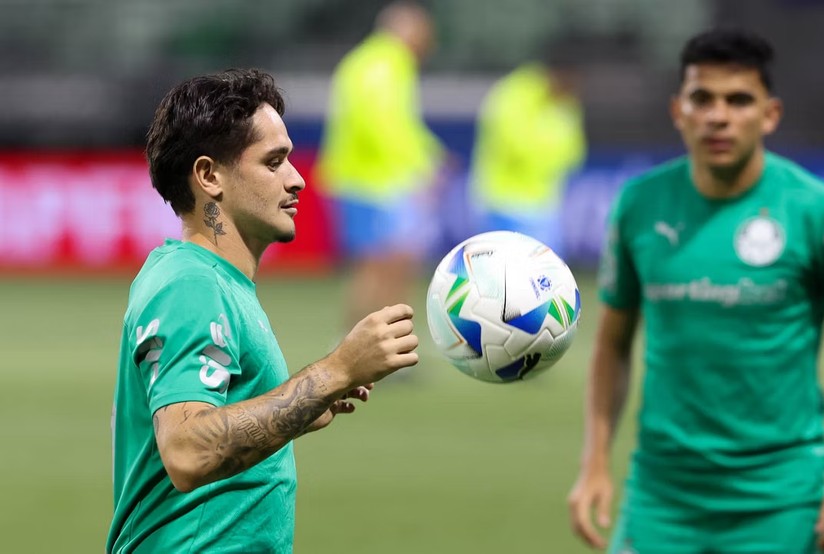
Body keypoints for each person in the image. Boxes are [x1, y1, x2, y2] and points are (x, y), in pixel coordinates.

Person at [567, 29, 824, 553]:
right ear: (677, 111)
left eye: (738, 100)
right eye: (701, 99)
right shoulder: (639, 205)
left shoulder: (816, 210)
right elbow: (612, 345)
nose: (718, 115)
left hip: (779, 497)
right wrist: (594, 462)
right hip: (662, 494)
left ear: (770, 114)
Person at [108, 69, 420, 553]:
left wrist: (304, 403)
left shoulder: (218, 283)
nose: (297, 180)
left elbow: (214, 418)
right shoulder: (191, 286)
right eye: (273, 162)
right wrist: (334, 371)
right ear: (209, 176)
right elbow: (187, 450)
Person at [315, 1, 444, 325]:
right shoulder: (385, 65)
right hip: (374, 180)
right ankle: (360, 344)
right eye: (424, 36)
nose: (427, 45)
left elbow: (399, 123)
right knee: (381, 265)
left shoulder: (369, 61)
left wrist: (432, 153)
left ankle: (382, 343)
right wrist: (422, 167)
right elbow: (381, 124)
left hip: (369, 177)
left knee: (388, 264)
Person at [470, 43, 586, 255]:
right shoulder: (514, 94)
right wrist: (549, 152)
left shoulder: (565, 100)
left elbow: (574, 153)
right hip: (502, 202)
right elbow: (516, 148)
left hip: (544, 206)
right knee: (500, 280)